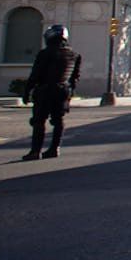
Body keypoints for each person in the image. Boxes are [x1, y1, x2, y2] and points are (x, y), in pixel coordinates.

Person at [21, 24, 82, 160]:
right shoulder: (74, 55)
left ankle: (35, 151)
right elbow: (75, 77)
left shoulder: (45, 53)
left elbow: (35, 74)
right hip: (63, 90)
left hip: (46, 89)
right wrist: (70, 93)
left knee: (39, 121)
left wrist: (27, 91)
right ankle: (55, 148)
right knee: (58, 120)